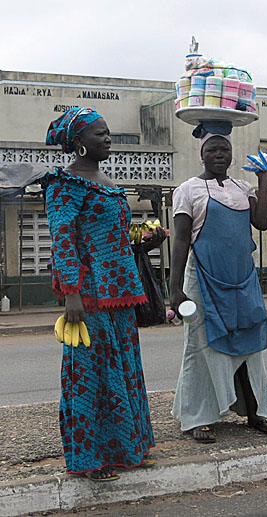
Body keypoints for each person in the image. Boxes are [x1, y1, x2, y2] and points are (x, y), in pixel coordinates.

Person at [43, 107, 155, 480]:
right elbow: (63, 240)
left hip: (120, 293)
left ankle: (129, 447)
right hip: (89, 295)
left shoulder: (107, 181)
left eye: (108, 133)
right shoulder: (64, 185)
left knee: (124, 370)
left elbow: (112, 236)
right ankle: (91, 459)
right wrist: (70, 293)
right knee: (90, 376)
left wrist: (144, 242)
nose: (107, 139)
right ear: (77, 143)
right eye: (99, 134)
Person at [170, 124, 267, 443]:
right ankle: (198, 418)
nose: (219, 154)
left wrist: (264, 179)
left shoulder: (243, 188)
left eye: (224, 150)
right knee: (201, 347)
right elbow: (180, 241)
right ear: (201, 154)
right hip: (203, 280)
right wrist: (174, 288)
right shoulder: (187, 190)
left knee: (251, 345)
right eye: (212, 150)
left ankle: (256, 413)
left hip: (242, 280)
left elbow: (261, 222)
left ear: (232, 155)